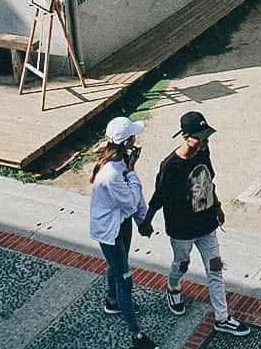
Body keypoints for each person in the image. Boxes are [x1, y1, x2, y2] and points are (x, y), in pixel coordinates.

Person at [141, 111, 250, 337]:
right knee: (181, 265)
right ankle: (172, 288)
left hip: (207, 224)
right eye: (200, 138)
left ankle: (222, 318)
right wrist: (146, 221)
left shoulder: (203, 152)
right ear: (185, 136)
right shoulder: (170, 166)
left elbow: (208, 180)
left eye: (206, 137)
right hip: (182, 229)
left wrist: (217, 206)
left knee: (215, 269)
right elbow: (158, 196)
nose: (204, 142)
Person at [90, 116, 159, 349]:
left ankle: (112, 300)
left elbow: (133, 201)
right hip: (111, 229)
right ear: (127, 141)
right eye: (133, 135)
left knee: (118, 265)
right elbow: (130, 201)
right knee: (125, 278)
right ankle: (136, 333)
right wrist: (131, 173)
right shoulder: (112, 174)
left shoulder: (120, 161)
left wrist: (142, 220)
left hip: (120, 223)